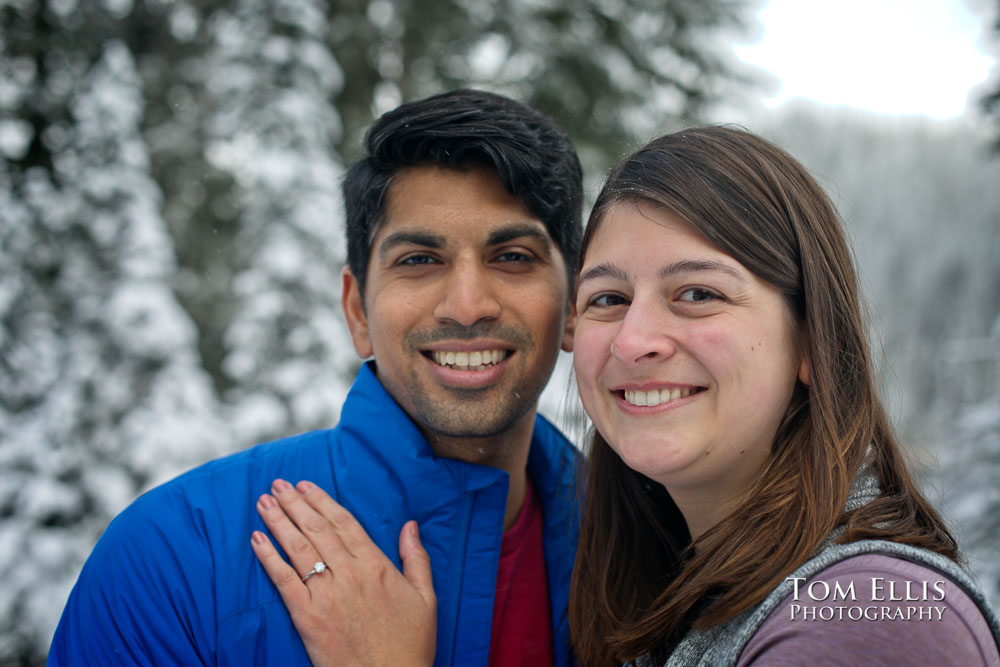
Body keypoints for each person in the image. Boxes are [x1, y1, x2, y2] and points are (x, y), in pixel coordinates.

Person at [256, 126, 1000, 666]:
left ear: (810, 341)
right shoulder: (679, 593)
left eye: (698, 293)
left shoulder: (869, 621)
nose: (635, 338)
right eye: (608, 298)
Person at [48, 89, 583, 666]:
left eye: (512, 257)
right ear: (357, 312)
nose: (467, 304)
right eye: (419, 260)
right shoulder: (171, 562)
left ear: (573, 304)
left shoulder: (640, 558)